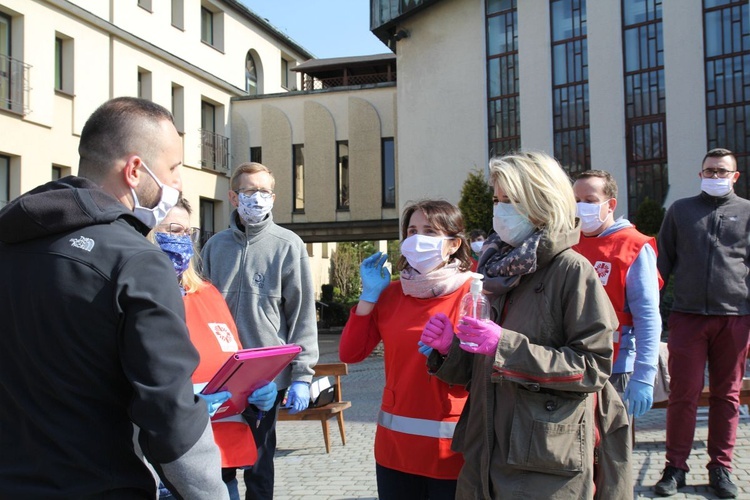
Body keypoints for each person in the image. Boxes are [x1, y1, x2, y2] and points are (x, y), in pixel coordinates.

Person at [0, 97, 228, 499]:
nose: (178, 184)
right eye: (174, 169)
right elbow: (170, 417)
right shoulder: (137, 261)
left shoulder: (11, 239)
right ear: (135, 169)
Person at [421, 151, 632, 499]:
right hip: (486, 452)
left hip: (543, 464)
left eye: (511, 200)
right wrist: (451, 350)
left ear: (541, 201)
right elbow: (485, 368)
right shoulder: (498, 268)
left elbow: (593, 367)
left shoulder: (570, 270)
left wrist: (503, 346)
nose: (500, 209)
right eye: (497, 199)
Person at [339, 199, 473, 500]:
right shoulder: (391, 293)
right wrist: (368, 297)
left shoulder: (474, 291)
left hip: (452, 448)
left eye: (429, 231)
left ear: (453, 244)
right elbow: (350, 353)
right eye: (412, 231)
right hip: (395, 448)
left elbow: (487, 366)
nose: (417, 240)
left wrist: (452, 349)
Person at [202, 162, 319, 499]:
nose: (257, 198)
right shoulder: (214, 247)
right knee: (217, 463)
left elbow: (301, 315)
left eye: (264, 192)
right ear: (233, 197)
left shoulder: (288, 245)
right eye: (249, 191)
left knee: (258, 464)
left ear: (274, 197)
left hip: (264, 380)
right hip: (219, 376)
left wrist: (301, 376)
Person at [151, 199, 278, 500]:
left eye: (186, 232)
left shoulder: (207, 294)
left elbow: (232, 359)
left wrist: (255, 395)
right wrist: (188, 406)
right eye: (171, 230)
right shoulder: (137, 297)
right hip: (163, 469)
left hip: (219, 466)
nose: (181, 239)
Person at [653, 148, 750, 499]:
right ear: (700, 174)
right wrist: (652, 312)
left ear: (735, 176)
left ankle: (721, 468)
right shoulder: (681, 211)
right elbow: (661, 263)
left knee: (728, 396)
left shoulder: (747, 211)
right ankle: (675, 467)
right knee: (683, 395)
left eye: (722, 171)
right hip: (687, 318)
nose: (715, 176)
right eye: (709, 171)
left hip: (735, 319)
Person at [572, 170, 662, 419]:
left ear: (610, 204)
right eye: (576, 200)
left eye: (589, 201)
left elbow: (647, 316)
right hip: (572, 360)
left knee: (612, 449)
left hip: (616, 366)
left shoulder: (633, 246)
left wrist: (644, 375)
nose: (581, 207)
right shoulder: (570, 242)